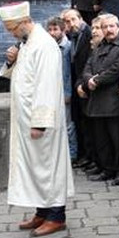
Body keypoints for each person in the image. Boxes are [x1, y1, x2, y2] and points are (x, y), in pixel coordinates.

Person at [0, 1, 74, 237]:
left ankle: (56, 216)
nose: (10, 33)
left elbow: (46, 86)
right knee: (35, 167)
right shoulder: (28, 43)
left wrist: (39, 122)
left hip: (42, 121)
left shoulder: (44, 45)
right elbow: (23, 75)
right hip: (26, 119)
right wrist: (12, 60)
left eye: (12, 28)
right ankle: (42, 211)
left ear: (24, 22)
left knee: (48, 167)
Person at [78, 14, 119, 182]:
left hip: (114, 101)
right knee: (102, 140)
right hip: (96, 101)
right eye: (105, 27)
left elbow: (117, 69)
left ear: (118, 27)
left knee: (118, 140)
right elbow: (87, 67)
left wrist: (97, 80)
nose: (108, 30)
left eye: (111, 26)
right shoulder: (98, 47)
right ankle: (107, 169)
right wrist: (88, 80)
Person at [63, 8, 95, 170]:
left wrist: (83, 83)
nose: (71, 24)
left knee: (90, 124)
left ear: (80, 18)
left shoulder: (88, 34)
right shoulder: (72, 37)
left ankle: (91, 156)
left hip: (86, 83)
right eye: (67, 22)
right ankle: (85, 155)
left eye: (73, 20)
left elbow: (89, 61)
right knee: (81, 122)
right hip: (77, 84)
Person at [47, 16, 77, 163]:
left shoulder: (68, 47)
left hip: (65, 90)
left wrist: (67, 92)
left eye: (55, 29)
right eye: (50, 30)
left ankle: (72, 154)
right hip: (51, 90)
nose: (52, 33)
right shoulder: (48, 47)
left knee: (68, 124)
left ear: (63, 30)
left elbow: (69, 72)